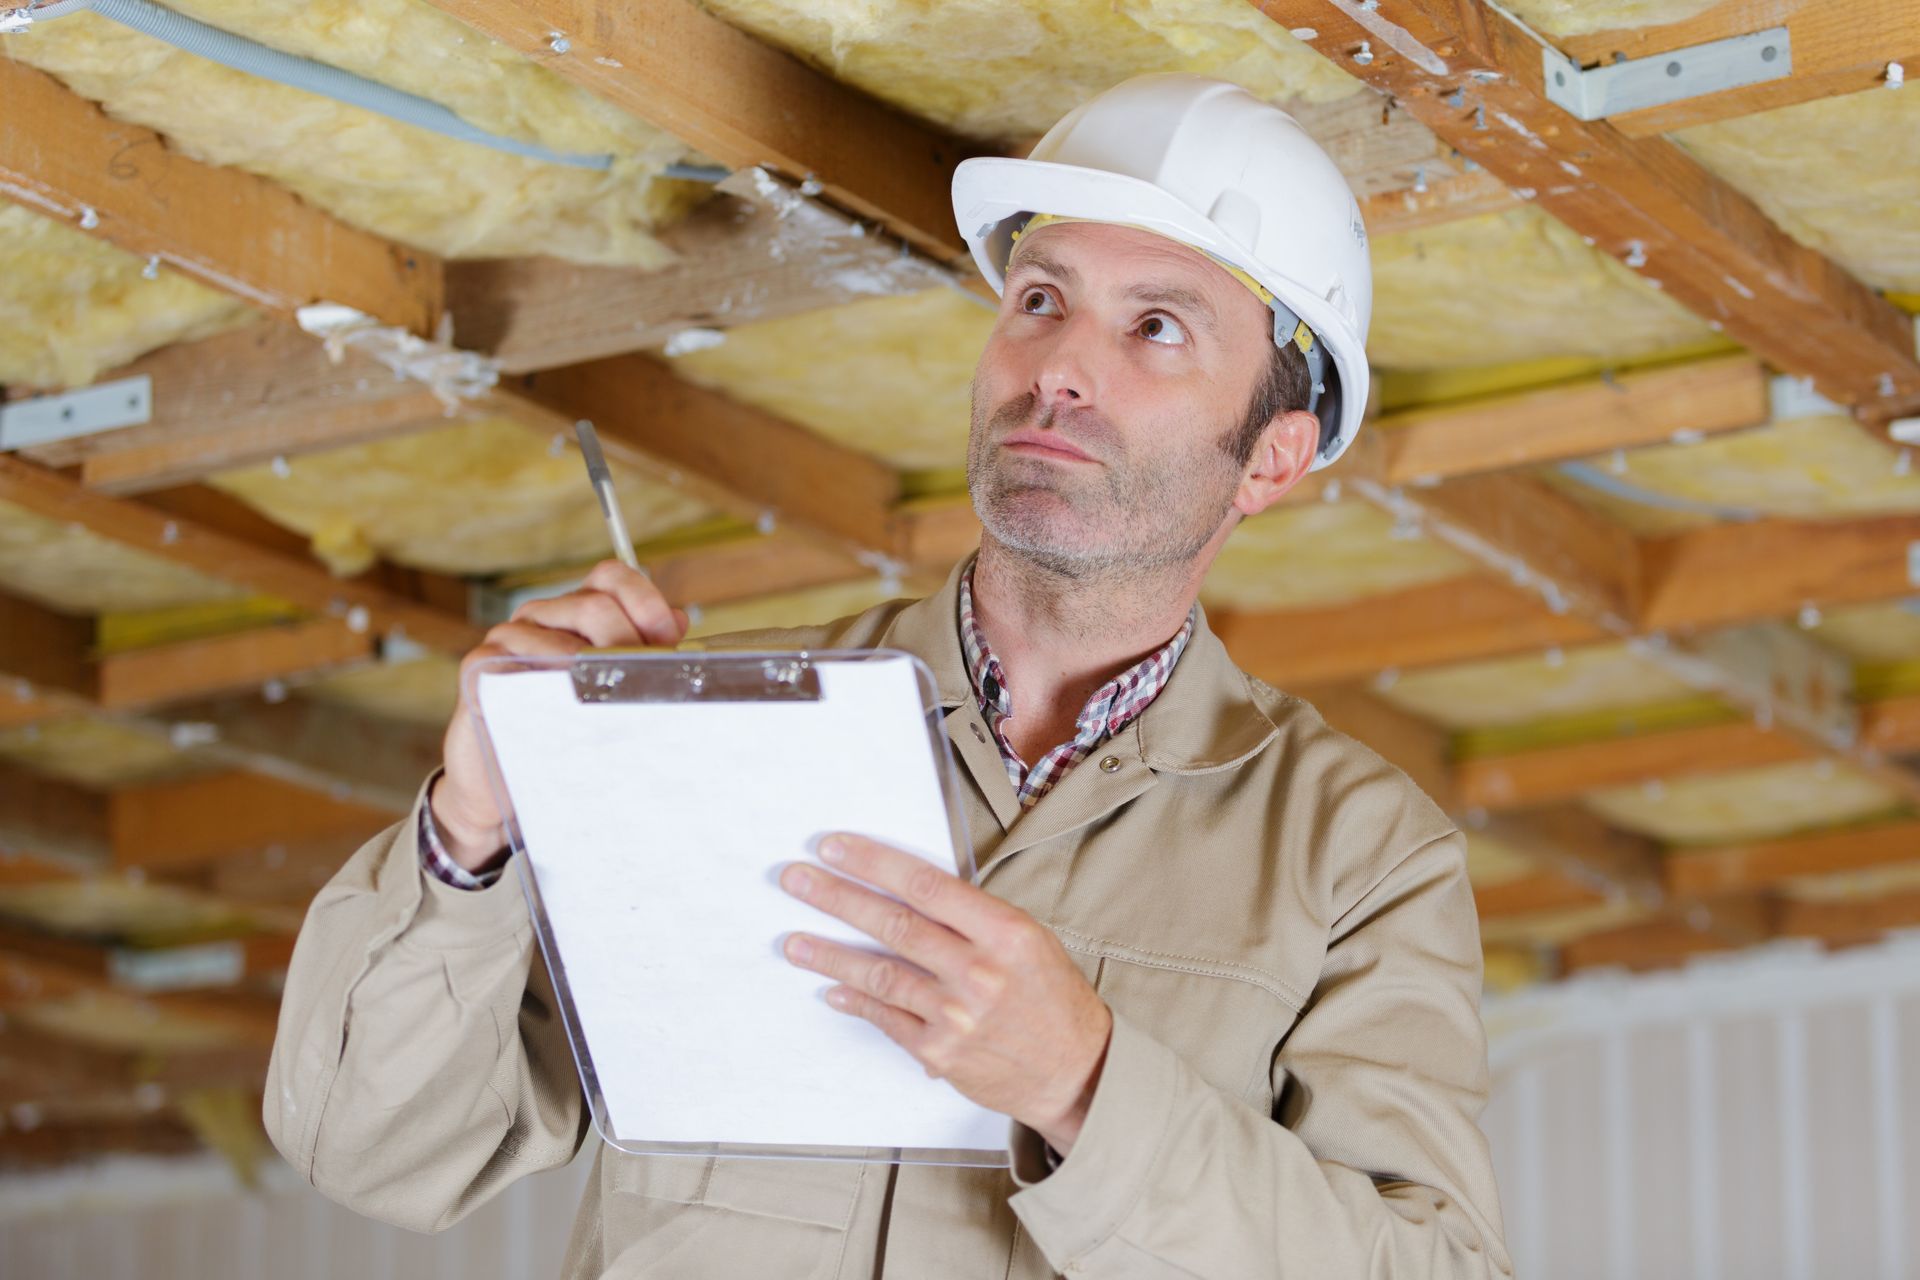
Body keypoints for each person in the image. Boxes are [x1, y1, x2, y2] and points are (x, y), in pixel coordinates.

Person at [266, 73, 1510, 1278]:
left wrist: (1083, 1083)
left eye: (1156, 326)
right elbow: (376, 1151)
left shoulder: (1359, 854)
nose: (1061, 365)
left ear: (1273, 459)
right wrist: (467, 833)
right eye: (1038, 299)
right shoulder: (715, 729)